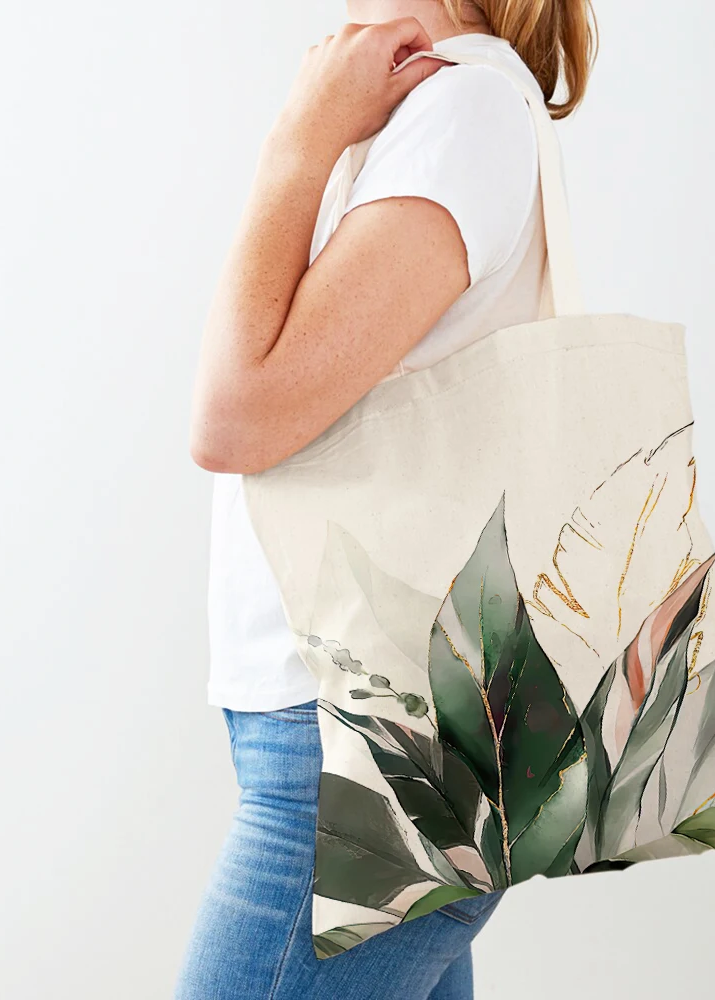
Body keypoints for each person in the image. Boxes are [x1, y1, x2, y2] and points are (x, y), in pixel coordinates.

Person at [177, 2, 596, 997]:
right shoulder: (425, 109)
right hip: (366, 742)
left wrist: (298, 142)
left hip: (365, 762)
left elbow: (234, 416)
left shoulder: (462, 111)